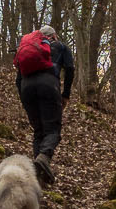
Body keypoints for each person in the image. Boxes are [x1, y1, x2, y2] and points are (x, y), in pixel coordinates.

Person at [14, 23, 73, 185]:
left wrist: (23, 98)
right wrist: (66, 95)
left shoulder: (28, 49)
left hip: (26, 87)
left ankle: (38, 176)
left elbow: (18, 79)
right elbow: (70, 69)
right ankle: (43, 157)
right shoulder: (60, 47)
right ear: (53, 36)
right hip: (49, 85)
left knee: (39, 131)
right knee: (53, 130)